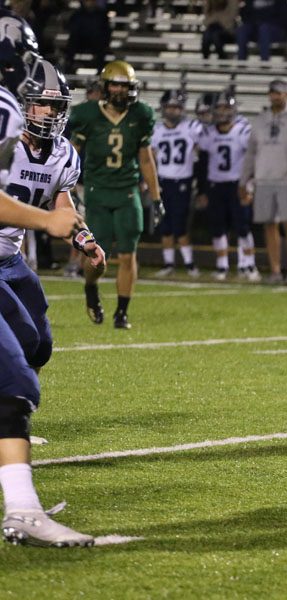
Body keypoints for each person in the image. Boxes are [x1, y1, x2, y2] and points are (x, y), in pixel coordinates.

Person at [0, 15, 93, 548]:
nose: (45, 114)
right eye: (39, 103)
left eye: (54, 107)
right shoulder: (8, 135)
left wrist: (84, 242)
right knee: (17, 384)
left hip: (11, 260)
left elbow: (65, 209)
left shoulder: (63, 151)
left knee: (38, 344)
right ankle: (21, 505)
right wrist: (48, 223)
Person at [68, 59, 164, 330]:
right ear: (105, 86)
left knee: (129, 253)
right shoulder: (87, 115)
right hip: (97, 194)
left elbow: (146, 160)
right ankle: (90, 288)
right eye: (115, 85)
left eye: (125, 86)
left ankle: (122, 312)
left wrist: (156, 198)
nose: (121, 91)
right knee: (95, 256)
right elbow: (71, 156)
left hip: (127, 193)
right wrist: (65, 189)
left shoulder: (141, 115)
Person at [239, 79, 287, 284]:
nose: (275, 96)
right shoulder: (261, 119)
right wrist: (244, 179)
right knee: (269, 225)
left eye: (279, 93)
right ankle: (275, 270)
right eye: (272, 93)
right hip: (263, 178)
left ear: (286, 95)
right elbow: (251, 152)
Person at [198, 91, 259, 282]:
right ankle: (222, 265)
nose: (222, 112)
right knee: (218, 227)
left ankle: (247, 264)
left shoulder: (242, 131)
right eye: (219, 108)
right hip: (216, 185)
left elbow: (252, 161)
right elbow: (203, 162)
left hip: (237, 184)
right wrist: (203, 189)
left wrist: (249, 185)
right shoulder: (207, 133)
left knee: (242, 226)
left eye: (226, 108)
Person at [151, 90, 203, 278]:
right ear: (164, 108)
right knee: (165, 225)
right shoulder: (156, 130)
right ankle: (169, 264)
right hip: (164, 182)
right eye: (170, 107)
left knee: (180, 224)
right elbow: (152, 157)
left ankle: (189, 264)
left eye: (177, 107)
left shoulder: (191, 127)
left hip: (183, 182)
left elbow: (201, 151)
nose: (173, 111)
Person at [64, 0, 111, 73]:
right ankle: (69, 66)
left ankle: (100, 70)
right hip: (81, 41)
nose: (89, 2)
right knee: (73, 40)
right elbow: (71, 27)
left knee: (102, 44)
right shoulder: (78, 14)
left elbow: (106, 30)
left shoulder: (101, 14)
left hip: (96, 41)